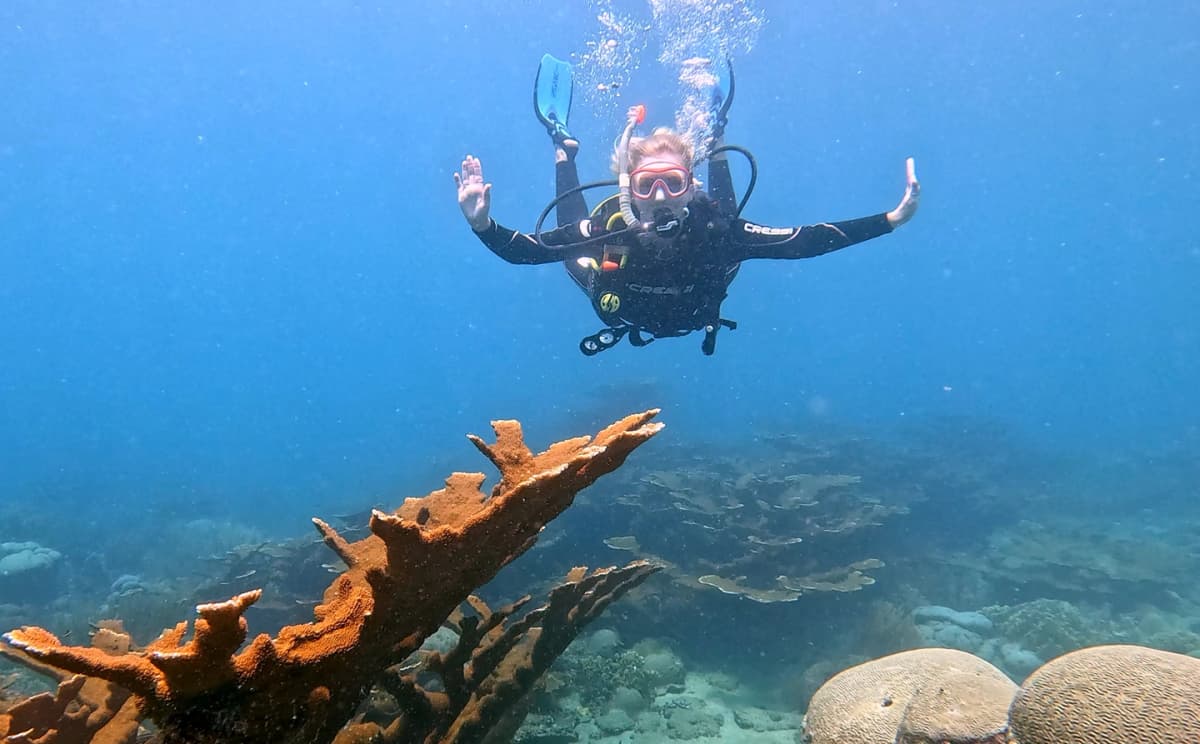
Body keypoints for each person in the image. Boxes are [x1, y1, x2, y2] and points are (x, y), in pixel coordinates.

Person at [454, 57, 920, 355]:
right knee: (570, 236)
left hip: (691, 297)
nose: (659, 198)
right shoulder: (612, 228)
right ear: (629, 189)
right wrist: (482, 225)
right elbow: (528, 250)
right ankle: (563, 149)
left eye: (673, 183)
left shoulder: (715, 228)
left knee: (725, 222)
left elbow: (804, 242)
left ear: (689, 184)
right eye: (648, 185)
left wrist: (891, 219)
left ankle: (713, 139)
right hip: (620, 306)